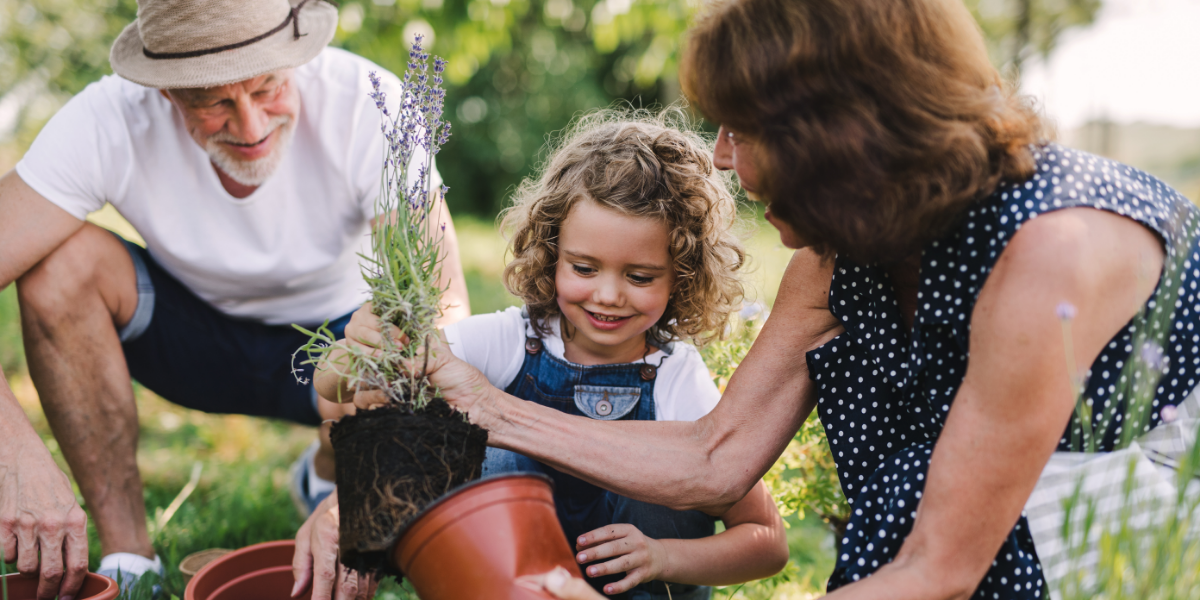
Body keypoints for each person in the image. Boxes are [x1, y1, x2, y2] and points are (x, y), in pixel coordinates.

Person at [303, 0, 1200, 597]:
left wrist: (489, 409)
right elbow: (717, 456)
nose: (723, 158)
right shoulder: (850, 238)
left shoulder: (1050, 253)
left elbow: (940, 568)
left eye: (745, 129)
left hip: (1126, 528)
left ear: (837, 134)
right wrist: (394, 465)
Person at [0, 0, 469, 596]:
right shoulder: (108, 116)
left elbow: (446, 309)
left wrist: (362, 489)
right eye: (213, 102)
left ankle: (327, 472)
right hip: (191, 339)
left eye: (268, 86)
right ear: (166, 92)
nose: (250, 127)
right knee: (57, 267)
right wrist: (13, 452)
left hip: (340, 347)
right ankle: (131, 558)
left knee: (401, 336)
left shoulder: (366, 101)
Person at [295, 113, 788, 600]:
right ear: (552, 253)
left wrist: (665, 556)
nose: (608, 294)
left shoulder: (676, 377)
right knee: (490, 454)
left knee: (668, 486)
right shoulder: (509, 340)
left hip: (634, 590)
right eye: (584, 267)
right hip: (508, 581)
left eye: (640, 277)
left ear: (682, 275)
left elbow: (766, 541)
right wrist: (360, 347)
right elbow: (339, 386)